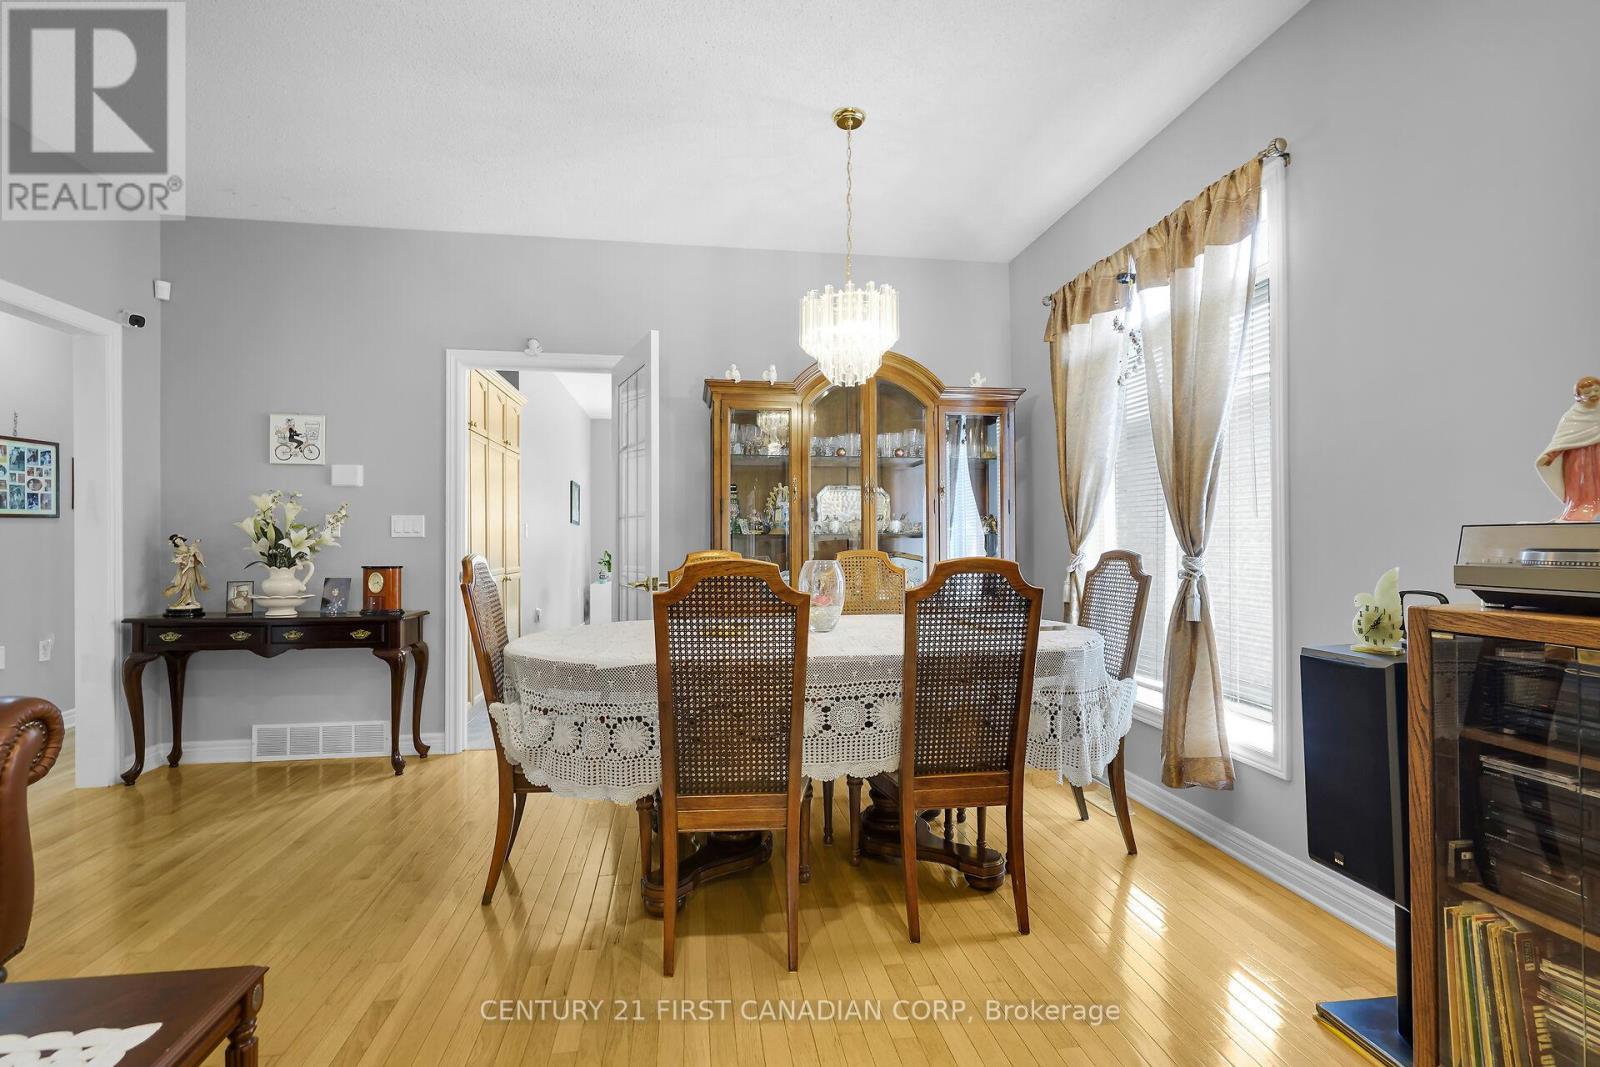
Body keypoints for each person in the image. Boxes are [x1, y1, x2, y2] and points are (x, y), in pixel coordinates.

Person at [1538, 376, 1600, 521]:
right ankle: (1581, 507)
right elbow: (1562, 439)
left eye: (1597, 390)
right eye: (1587, 392)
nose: (1593, 394)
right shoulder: (1572, 417)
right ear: (1578, 396)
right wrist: (1550, 456)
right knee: (1581, 484)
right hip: (1578, 460)